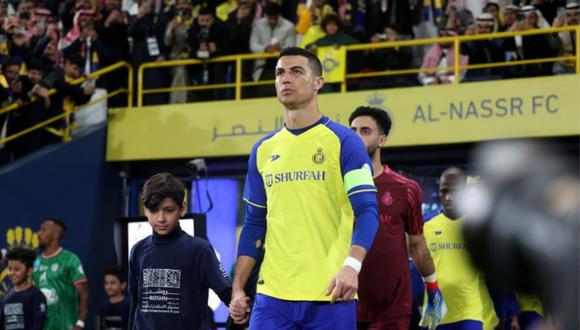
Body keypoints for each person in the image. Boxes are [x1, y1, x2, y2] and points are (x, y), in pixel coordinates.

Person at [228, 47, 379, 329]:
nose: (286, 79)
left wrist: (352, 266)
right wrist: (238, 288)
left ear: (318, 82)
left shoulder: (345, 142)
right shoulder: (262, 150)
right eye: (280, 73)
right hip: (271, 296)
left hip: (331, 293)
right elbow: (253, 223)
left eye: (297, 72)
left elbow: (368, 210)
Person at [349, 106, 447, 330]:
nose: (356, 137)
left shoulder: (406, 189)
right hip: (344, 303)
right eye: (352, 130)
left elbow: (417, 245)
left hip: (392, 309)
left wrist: (433, 289)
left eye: (365, 131)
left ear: (381, 140)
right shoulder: (335, 188)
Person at [128, 172, 231, 330]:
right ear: (145, 210)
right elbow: (135, 303)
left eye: (168, 210)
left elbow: (229, 294)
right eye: (153, 211)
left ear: (182, 208)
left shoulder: (200, 250)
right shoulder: (138, 251)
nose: (161, 218)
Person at [423, 168, 498, 330]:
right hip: (435, 311)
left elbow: (492, 275)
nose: (449, 197)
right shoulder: (426, 227)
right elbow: (416, 271)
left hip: (468, 311)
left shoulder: (475, 228)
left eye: (455, 192)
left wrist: (504, 310)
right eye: (444, 192)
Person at [33, 218, 89, 330]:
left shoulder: (70, 259)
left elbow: (84, 295)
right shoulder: (36, 261)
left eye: (43, 229)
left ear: (56, 235)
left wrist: (80, 324)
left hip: (65, 326)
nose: (38, 233)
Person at [0, 247, 47, 330]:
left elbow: (38, 325)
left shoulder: (36, 296)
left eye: (17, 269)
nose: (12, 273)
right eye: (10, 269)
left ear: (29, 271)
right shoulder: (6, 297)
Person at [97, 265, 130, 330]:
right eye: (106, 283)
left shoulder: (129, 306)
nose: (108, 286)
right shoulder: (103, 307)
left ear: (123, 285)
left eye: (113, 283)